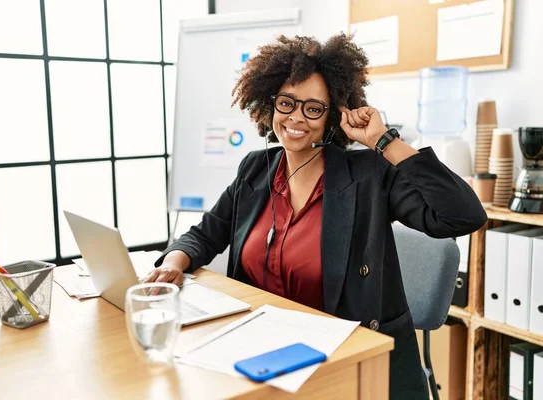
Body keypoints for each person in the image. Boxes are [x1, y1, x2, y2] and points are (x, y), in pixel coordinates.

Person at [145, 33, 487, 399]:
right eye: (287, 103)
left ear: (332, 117)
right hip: (264, 355)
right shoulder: (255, 169)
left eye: (313, 108)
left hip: (348, 362)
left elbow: (462, 216)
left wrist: (384, 141)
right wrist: (176, 263)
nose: (296, 118)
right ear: (270, 104)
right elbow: (207, 233)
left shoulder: (369, 175)